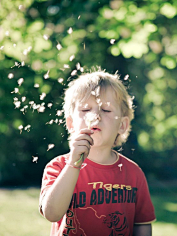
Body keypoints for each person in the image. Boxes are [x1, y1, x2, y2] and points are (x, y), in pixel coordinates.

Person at [39, 68, 156, 236]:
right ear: (71, 124)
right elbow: (51, 214)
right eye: (86, 109)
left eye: (106, 110)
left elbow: (142, 224)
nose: (95, 116)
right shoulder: (58, 167)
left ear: (122, 125)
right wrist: (73, 164)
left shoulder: (133, 173)